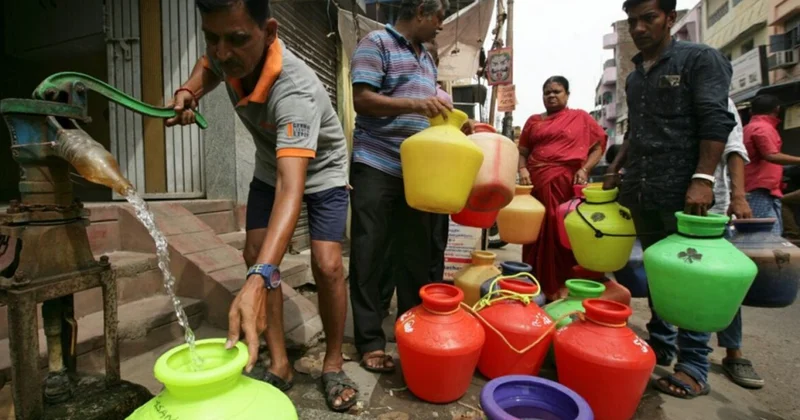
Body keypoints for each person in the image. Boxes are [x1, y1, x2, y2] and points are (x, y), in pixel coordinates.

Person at [166, 0, 357, 411]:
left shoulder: (295, 89)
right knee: (254, 252)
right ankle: (281, 364)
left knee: (327, 265)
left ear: (269, 32)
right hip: (272, 164)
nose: (221, 52)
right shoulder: (227, 54)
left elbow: (294, 188)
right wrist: (187, 90)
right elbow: (208, 67)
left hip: (321, 169)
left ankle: (333, 362)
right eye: (211, 37)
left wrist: (257, 279)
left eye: (235, 40)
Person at [604, 0, 737, 399]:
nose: (640, 28)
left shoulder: (700, 59)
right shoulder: (634, 76)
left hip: (685, 192)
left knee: (688, 277)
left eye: (649, 19)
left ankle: (694, 364)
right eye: (634, 21)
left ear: (670, 19)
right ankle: (661, 340)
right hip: (643, 188)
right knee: (658, 272)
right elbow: (635, 131)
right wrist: (615, 168)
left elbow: (716, 120)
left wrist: (702, 178)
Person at [349, 0, 470, 374]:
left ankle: (410, 331)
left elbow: (429, 112)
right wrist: (416, 104)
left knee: (415, 257)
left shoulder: (427, 59)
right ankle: (369, 340)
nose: (440, 26)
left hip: (419, 173)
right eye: (438, 18)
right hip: (377, 164)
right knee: (370, 252)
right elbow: (362, 100)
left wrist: (455, 127)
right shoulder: (376, 43)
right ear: (420, 10)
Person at [379, 39, 452, 320]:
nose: (425, 64)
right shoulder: (402, 92)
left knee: (430, 247)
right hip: (399, 172)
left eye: (429, 60)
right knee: (392, 247)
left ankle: (424, 305)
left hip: (435, 181)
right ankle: (387, 303)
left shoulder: (443, 98)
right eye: (422, 58)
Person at [517, 76, 608, 300]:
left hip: (566, 184)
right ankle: (534, 282)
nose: (551, 95)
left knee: (561, 232)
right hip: (536, 182)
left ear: (567, 94)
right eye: (547, 92)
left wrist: (585, 169)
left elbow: (599, 146)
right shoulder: (534, 121)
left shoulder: (581, 118)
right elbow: (523, 152)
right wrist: (523, 170)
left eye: (556, 91)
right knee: (536, 231)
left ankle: (561, 285)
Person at [709, 98, 764, 390]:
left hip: (714, 208)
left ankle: (733, 352)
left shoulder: (720, 98)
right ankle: (674, 347)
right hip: (668, 205)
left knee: (723, 283)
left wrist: (739, 196)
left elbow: (734, 149)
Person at [744, 94, 800, 236]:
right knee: (763, 235)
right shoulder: (763, 128)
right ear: (777, 109)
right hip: (760, 188)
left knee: (769, 233)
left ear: (751, 112)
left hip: (761, 187)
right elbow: (771, 155)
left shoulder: (749, 127)